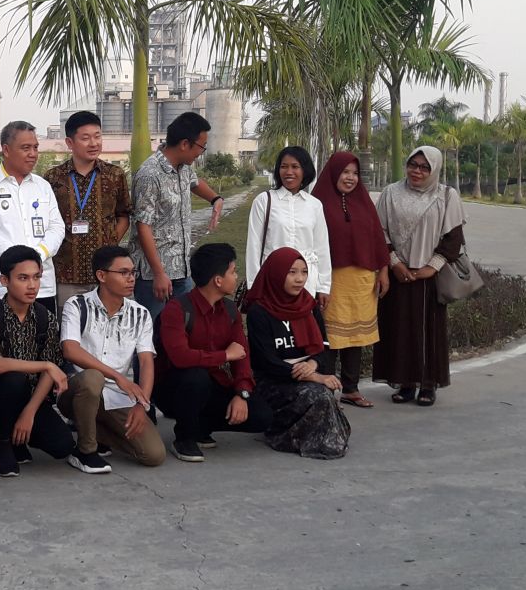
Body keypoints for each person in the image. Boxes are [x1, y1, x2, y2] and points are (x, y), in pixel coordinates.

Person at [153, 243, 273, 463]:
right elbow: (181, 357)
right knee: (196, 376)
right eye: (233, 271)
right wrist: (224, 356)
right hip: (173, 387)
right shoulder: (177, 309)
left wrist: (241, 394)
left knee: (261, 416)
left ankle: (200, 426)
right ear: (218, 280)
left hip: (212, 384)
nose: (236, 277)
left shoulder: (229, 310)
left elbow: (242, 356)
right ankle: (184, 438)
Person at [59, 245, 165, 473]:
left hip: (118, 397)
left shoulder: (140, 314)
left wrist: (142, 403)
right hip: (78, 391)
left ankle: (95, 430)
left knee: (154, 454)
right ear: (102, 276)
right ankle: (85, 451)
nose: (131, 278)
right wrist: (118, 377)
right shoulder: (77, 305)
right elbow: (70, 350)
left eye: (133, 272)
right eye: (123, 272)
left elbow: (147, 361)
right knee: (93, 379)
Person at [374, 146, 466, 407]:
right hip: (398, 274)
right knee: (398, 329)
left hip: (428, 276)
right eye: (413, 164)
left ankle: (428, 383)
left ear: (434, 169)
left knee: (428, 331)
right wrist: (394, 263)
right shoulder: (391, 193)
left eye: (425, 167)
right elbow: (379, 232)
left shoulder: (446, 195)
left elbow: (453, 238)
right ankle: (405, 383)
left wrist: (432, 267)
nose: (417, 171)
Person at [0, 245, 74, 477]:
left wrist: (29, 413)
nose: (32, 285)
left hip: (30, 398)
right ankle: (4, 439)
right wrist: (47, 365)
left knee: (63, 446)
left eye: (36, 277)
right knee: (13, 377)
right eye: (23, 278)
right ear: (4, 280)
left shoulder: (44, 317)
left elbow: (49, 373)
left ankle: (20, 437)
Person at [245, 248, 350, 460]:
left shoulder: (308, 306)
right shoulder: (260, 311)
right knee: (317, 394)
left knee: (323, 392)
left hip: (307, 372)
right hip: (273, 381)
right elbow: (266, 362)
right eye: (292, 272)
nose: (299, 279)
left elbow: (323, 347)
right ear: (276, 273)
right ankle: (282, 435)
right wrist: (313, 375)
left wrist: (313, 363)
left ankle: (320, 437)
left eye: (303, 272)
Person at [311, 152, 390, 408]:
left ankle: (351, 388)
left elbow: (377, 237)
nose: (351, 178)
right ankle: (327, 388)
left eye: (355, 173)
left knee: (356, 335)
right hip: (330, 278)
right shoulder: (317, 203)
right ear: (334, 172)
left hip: (362, 279)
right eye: (345, 172)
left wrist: (384, 270)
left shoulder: (364, 201)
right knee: (330, 336)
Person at [129, 112, 224, 319]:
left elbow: (195, 183)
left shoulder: (183, 167)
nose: (202, 152)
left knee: (185, 327)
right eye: (201, 146)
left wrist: (216, 199)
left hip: (182, 268)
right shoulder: (149, 174)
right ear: (184, 144)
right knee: (154, 332)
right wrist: (158, 273)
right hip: (153, 275)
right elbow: (142, 226)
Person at [0, 120, 65, 314]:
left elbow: (57, 227)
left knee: (42, 342)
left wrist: (38, 255)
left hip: (42, 287)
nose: (33, 154)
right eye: (25, 148)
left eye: (35, 148)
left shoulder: (42, 186)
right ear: (6, 150)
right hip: (1, 288)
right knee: (1, 343)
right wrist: (22, 261)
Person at [44, 111, 132, 310]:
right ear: (69, 142)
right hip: (67, 274)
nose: (93, 143)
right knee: (68, 328)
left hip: (106, 273)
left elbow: (123, 214)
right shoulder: (53, 178)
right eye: (85, 138)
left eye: (97, 136)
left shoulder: (114, 175)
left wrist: (110, 242)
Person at [245, 145, 332, 309]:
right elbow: (254, 247)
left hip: (305, 283)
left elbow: (321, 248)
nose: (289, 172)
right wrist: (254, 286)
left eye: (295, 167)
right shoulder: (264, 201)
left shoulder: (314, 205)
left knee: (302, 330)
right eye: (284, 167)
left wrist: (323, 286)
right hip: (272, 280)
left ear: (304, 170)